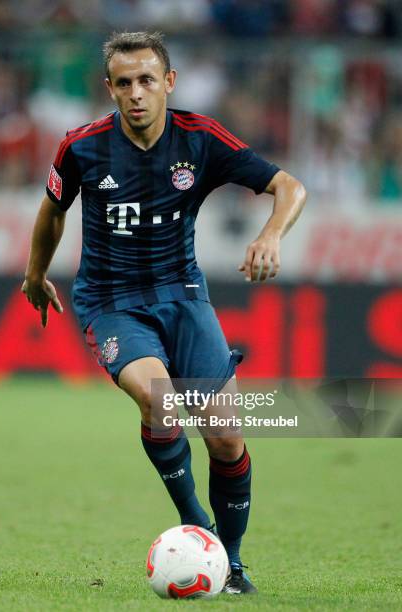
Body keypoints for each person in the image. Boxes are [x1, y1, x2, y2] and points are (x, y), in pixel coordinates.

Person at [22, 31, 306, 596]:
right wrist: (35, 274)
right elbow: (53, 211)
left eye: (147, 80)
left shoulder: (200, 139)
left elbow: (289, 186)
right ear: (109, 88)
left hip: (183, 295)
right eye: (123, 83)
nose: (136, 93)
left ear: (168, 83)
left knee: (225, 436)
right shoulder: (81, 147)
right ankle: (199, 527)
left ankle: (232, 562)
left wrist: (271, 234)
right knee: (159, 398)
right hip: (111, 300)